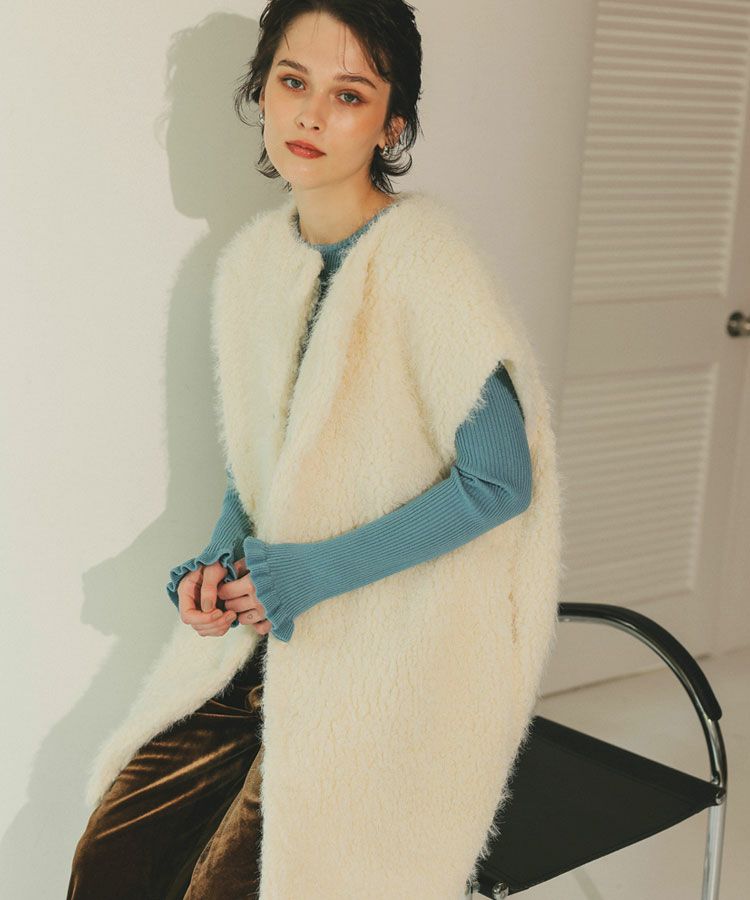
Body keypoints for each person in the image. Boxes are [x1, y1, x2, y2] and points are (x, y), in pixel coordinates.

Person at [67, 1, 563, 897]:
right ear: (261, 91)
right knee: (114, 854)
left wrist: (310, 574)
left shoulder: (429, 264)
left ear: (392, 124)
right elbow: (258, 467)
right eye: (293, 82)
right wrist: (217, 562)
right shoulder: (255, 265)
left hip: (393, 654)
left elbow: (500, 480)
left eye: (350, 94)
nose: (311, 114)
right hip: (266, 649)